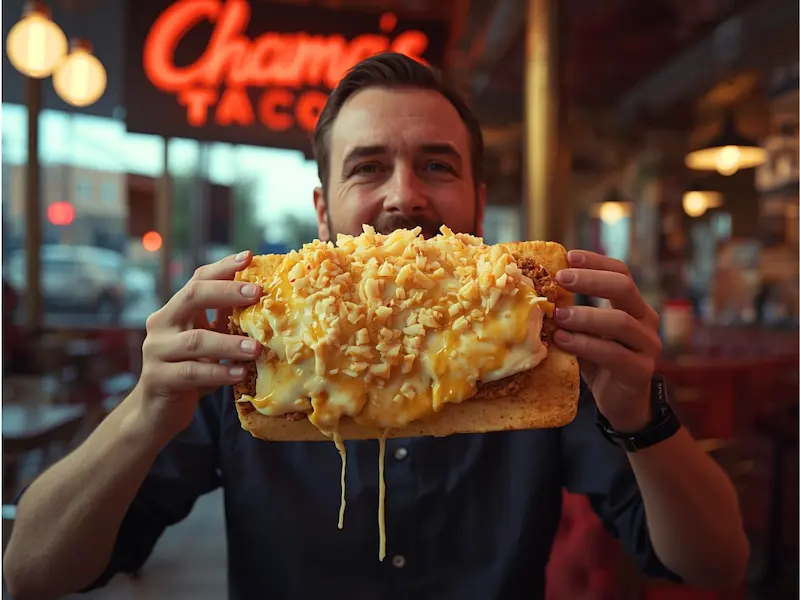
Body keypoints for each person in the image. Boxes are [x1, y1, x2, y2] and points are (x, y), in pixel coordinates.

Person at [4, 53, 749, 600]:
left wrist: (641, 415)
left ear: (478, 203)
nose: (405, 197)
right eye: (367, 167)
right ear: (323, 209)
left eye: (437, 165)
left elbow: (714, 565)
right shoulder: (247, 357)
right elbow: (30, 572)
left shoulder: (546, 355)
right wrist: (142, 412)